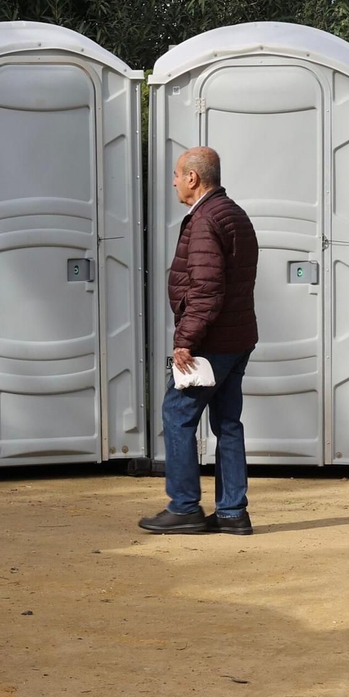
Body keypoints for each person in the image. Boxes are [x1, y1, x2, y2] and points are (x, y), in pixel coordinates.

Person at [139, 146, 260, 536]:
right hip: (238, 338)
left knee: (177, 415)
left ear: (193, 178)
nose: (173, 181)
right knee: (228, 423)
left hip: (211, 343)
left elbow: (206, 288)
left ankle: (185, 507)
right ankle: (231, 513)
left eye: (177, 174)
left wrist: (185, 340)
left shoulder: (206, 219)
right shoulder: (233, 214)